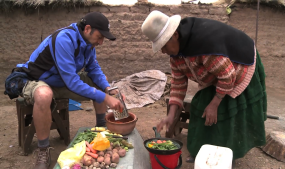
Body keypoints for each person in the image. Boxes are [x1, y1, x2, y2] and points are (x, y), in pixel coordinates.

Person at [141, 10, 267, 164]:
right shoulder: (175, 54)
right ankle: (201, 152)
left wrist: (214, 104)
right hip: (218, 72)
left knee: (227, 110)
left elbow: (227, 77)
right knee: (200, 108)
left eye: (164, 45)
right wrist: (171, 115)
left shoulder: (205, 46)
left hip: (239, 62)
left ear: (174, 35)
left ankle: (226, 156)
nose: (162, 50)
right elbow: (178, 83)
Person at [5, 12, 124, 169]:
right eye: (100, 36)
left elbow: (94, 69)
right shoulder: (64, 39)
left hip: (61, 82)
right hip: (37, 80)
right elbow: (72, 82)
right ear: (88, 29)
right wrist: (106, 98)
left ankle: (100, 132)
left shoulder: (89, 45)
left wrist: (108, 89)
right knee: (43, 95)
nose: (101, 42)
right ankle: (43, 150)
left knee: (100, 83)